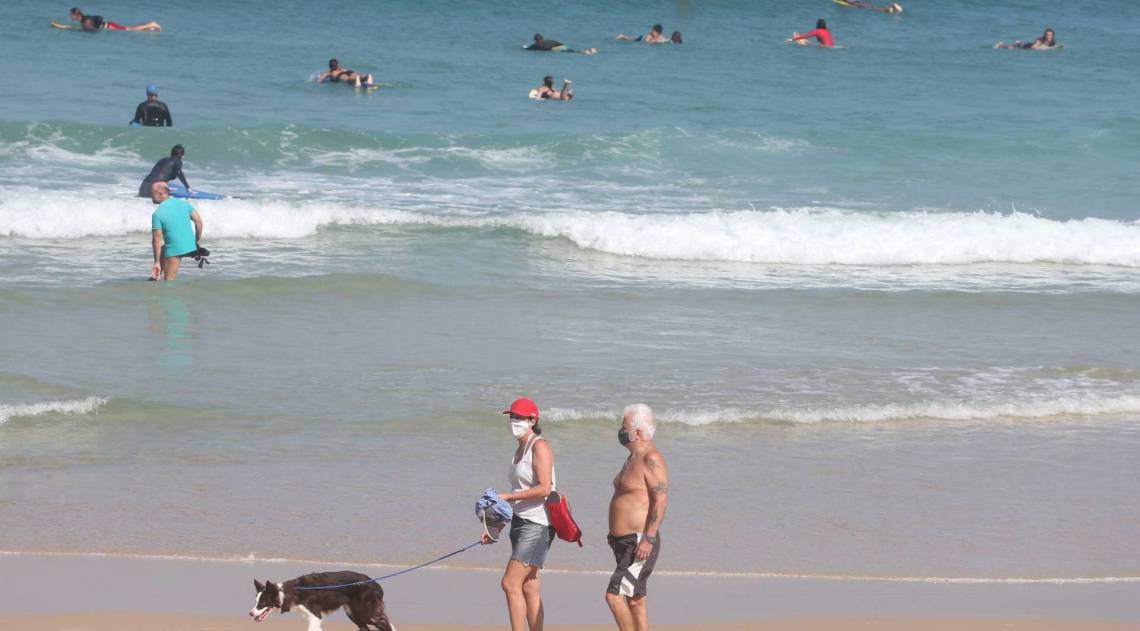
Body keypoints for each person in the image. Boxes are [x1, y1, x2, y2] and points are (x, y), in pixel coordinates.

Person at [480, 398, 557, 631]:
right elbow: (517, 493)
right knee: (529, 585)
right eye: (512, 417)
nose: (514, 422)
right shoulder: (519, 450)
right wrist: (494, 528)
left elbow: (545, 488)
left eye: (519, 418)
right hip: (520, 522)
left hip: (538, 524)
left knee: (510, 583)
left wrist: (507, 497)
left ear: (533, 420)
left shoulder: (539, 446)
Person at [606, 404, 669, 631]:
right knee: (635, 599)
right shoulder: (633, 457)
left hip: (640, 541)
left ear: (638, 432)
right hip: (624, 541)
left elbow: (660, 498)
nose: (621, 431)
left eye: (624, 427)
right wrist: (614, 533)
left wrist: (649, 538)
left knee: (614, 596)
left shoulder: (651, 457)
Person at [149, 182, 204, 281]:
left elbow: (156, 241)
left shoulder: (157, 214)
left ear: (161, 194)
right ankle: (156, 276)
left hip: (176, 249)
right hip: (191, 246)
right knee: (164, 249)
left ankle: (159, 273)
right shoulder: (184, 204)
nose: (150, 196)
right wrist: (198, 241)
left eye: (152, 193)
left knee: (169, 280)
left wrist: (156, 262)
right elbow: (199, 222)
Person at [69, 7, 161, 31]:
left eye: (71, 15)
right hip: (109, 25)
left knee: (132, 29)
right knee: (131, 29)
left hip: (110, 27)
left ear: (76, 15)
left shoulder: (86, 21)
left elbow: (92, 31)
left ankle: (151, 24)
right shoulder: (85, 19)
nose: (70, 16)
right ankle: (150, 28)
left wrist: (77, 30)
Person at [525, 33, 597, 55]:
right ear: (543, 38)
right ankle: (590, 50)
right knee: (572, 51)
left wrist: (524, 47)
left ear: (535, 40)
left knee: (574, 53)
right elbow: (561, 44)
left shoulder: (535, 45)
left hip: (554, 49)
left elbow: (527, 49)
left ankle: (586, 52)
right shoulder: (550, 40)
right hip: (561, 46)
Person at [834, 0, 903, 13]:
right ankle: (890, 9)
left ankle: (888, 9)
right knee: (872, 7)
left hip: (856, 4)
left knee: (872, 9)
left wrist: (852, 6)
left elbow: (847, 3)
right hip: (858, 2)